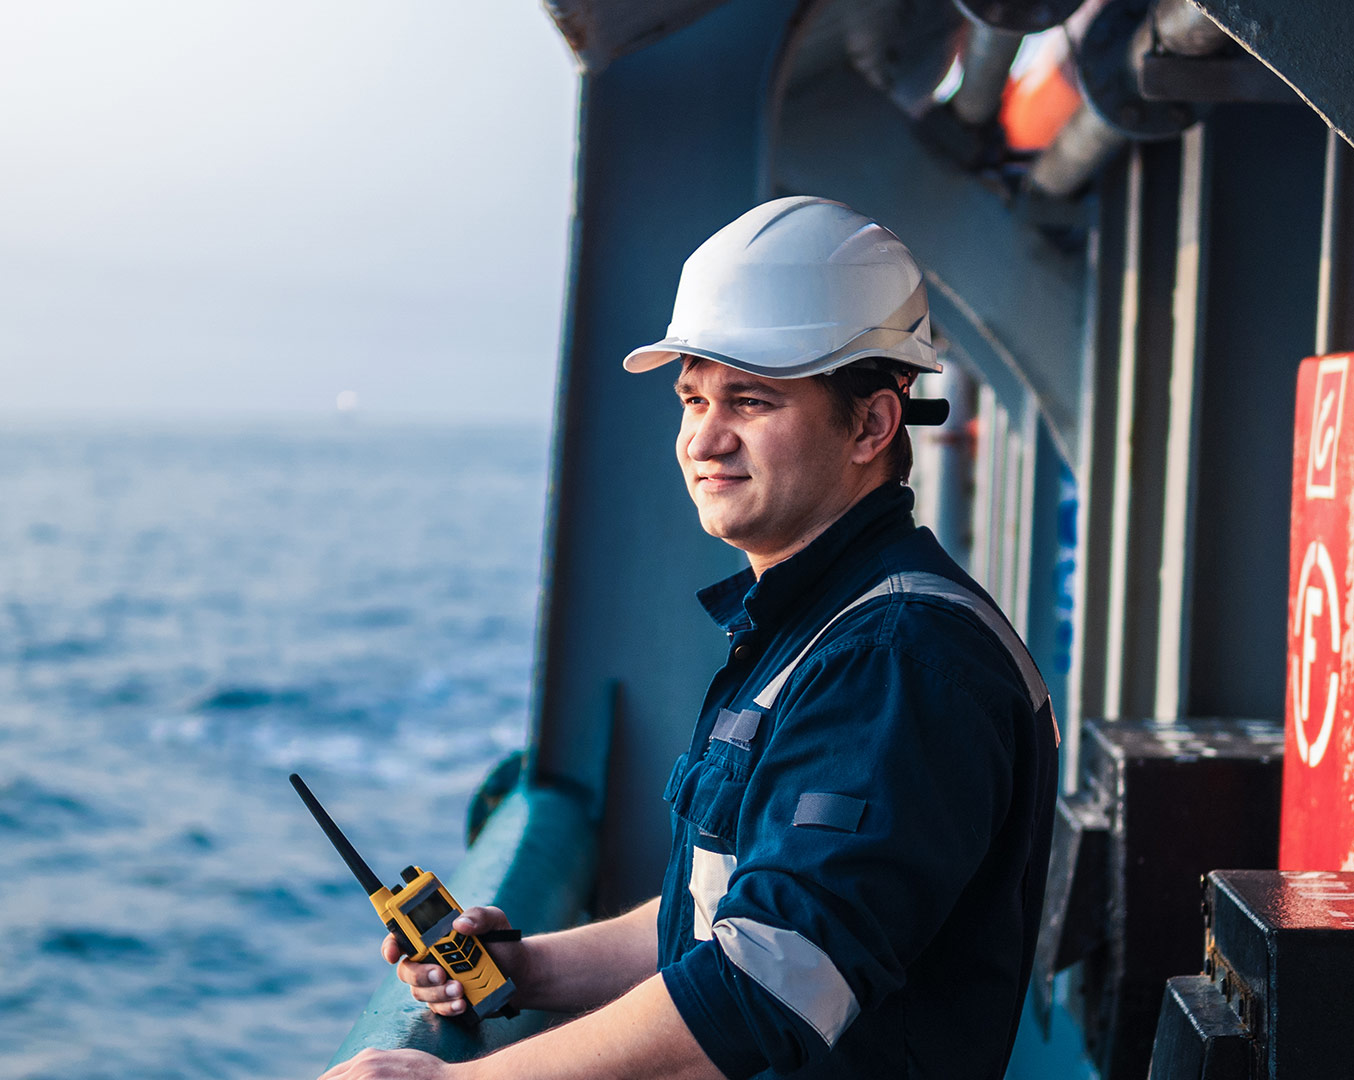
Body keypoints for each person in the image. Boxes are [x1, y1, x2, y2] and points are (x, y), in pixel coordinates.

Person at [319, 196, 1059, 1080]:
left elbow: (769, 985)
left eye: (750, 399)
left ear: (871, 425)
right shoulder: (821, 628)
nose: (704, 438)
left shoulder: (898, 660)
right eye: (693, 397)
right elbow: (725, 918)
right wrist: (527, 969)